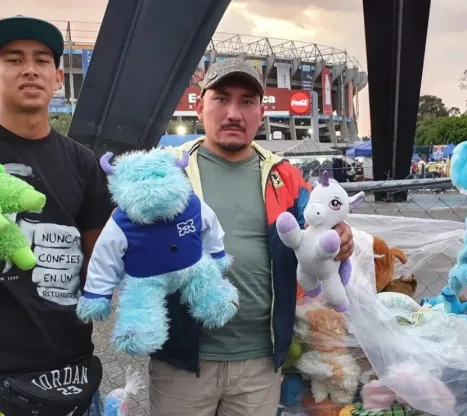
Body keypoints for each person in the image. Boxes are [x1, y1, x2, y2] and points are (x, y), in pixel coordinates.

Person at [149, 57, 356, 416]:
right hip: (182, 361)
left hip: (259, 362)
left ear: (261, 112)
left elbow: (323, 224)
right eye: (222, 98)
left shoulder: (286, 176)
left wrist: (343, 235)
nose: (234, 113)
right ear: (200, 107)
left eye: (246, 102)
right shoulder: (167, 172)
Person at [0, 15, 113, 416]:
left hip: (73, 377)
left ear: (56, 78)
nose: (30, 69)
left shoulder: (83, 163)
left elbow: (97, 264)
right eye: (14, 60)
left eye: (42, 61)